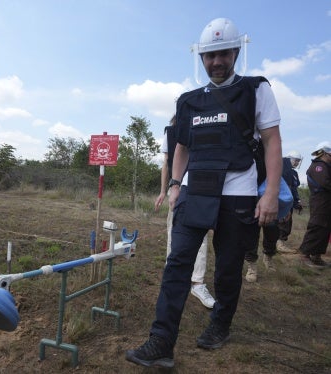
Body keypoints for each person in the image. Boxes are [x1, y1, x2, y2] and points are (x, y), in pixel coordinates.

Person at [126, 17, 282, 368]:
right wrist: (175, 185)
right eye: (209, 56)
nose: (216, 62)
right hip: (195, 193)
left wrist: (270, 192)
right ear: (201, 58)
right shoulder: (188, 101)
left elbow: (272, 141)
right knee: (176, 266)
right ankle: (160, 342)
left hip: (239, 195)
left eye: (223, 54)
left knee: (227, 270)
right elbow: (181, 147)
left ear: (236, 52)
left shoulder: (256, 89)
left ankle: (220, 325)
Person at [155, 115, 215, 308]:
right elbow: (167, 162)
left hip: (201, 187)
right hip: (178, 188)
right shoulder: (171, 132)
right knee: (174, 231)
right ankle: (172, 276)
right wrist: (164, 190)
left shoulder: (206, 127)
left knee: (200, 234)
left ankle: (197, 282)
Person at [245, 151, 302, 282]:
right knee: (251, 234)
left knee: (271, 231)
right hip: (250, 199)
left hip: (270, 201)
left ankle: (268, 256)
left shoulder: (274, 159)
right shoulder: (245, 154)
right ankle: (252, 265)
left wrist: (286, 209)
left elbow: (283, 187)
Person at [299, 141, 331, 268]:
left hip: (327, 202)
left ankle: (316, 256)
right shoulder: (319, 166)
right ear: (324, 154)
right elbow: (325, 183)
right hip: (320, 201)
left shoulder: (327, 166)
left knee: (325, 229)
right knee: (316, 226)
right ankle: (304, 255)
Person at [276, 151, 303, 253]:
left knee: (287, 222)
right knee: (282, 222)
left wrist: (297, 201)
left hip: (290, 201)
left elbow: (294, 189)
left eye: (298, 161)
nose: (297, 163)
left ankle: (280, 243)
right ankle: (279, 244)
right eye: (296, 160)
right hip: (281, 201)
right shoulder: (281, 169)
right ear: (290, 158)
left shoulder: (294, 173)